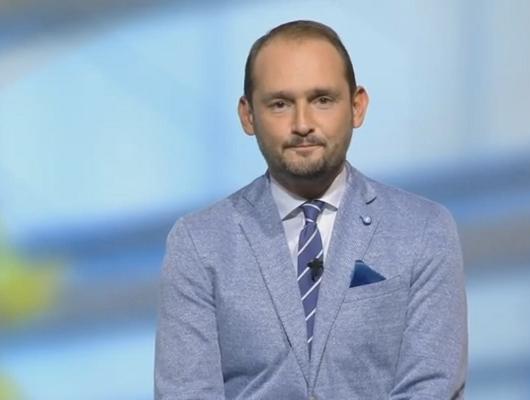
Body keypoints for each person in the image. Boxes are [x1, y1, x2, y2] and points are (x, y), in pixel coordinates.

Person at [155, 20, 467, 400]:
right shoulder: (199, 243)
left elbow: (430, 387)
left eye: (322, 100)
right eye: (280, 104)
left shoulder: (424, 230)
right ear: (248, 115)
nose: (302, 124)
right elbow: (187, 392)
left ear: (357, 106)